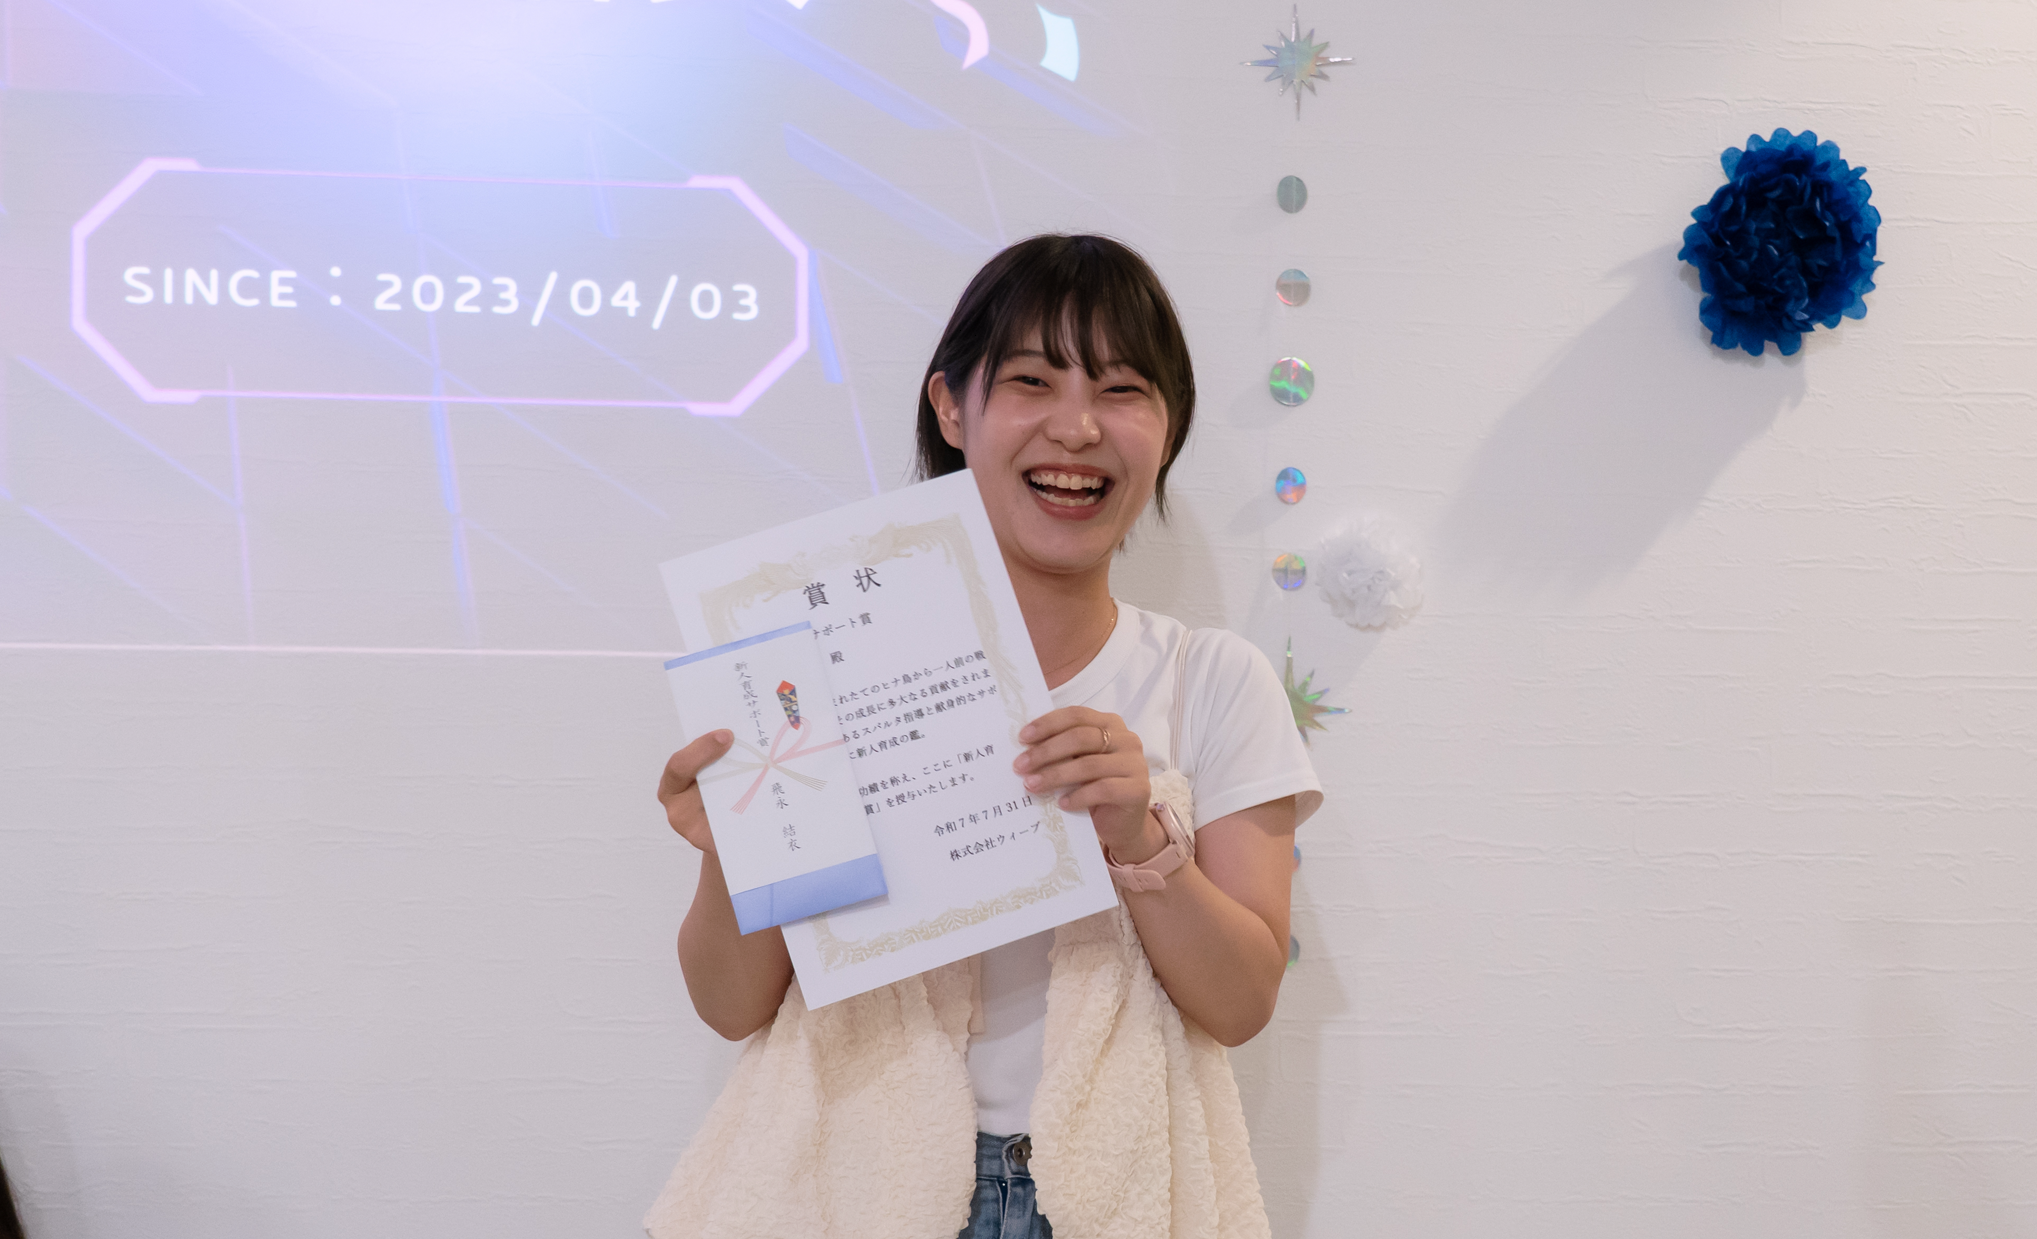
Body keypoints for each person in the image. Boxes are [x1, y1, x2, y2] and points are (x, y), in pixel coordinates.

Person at [650, 234, 1321, 1239]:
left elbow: (1241, 1004)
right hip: (849, 1188)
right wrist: (730, 856)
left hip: (1106, 1201)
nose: (1078, 427)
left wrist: (1141, 842)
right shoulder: (820, 669)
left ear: (1168, 427)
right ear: (951, 408)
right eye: (1031, 381)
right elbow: (731, 1005)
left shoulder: (1210, 679)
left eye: (1123, 390)